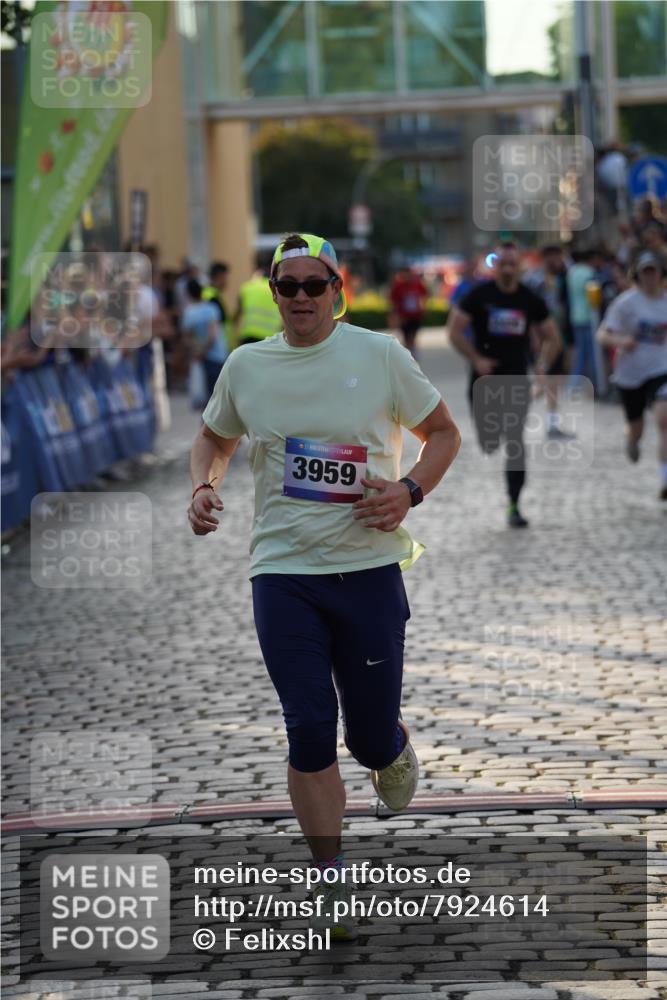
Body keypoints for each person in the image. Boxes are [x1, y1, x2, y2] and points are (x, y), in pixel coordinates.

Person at [187, 232, 460, 938]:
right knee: (307, 725)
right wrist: (202, 487)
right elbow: (213, 437)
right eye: (287, 286)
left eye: (315, 285)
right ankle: (329, 878)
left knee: (365, 739)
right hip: (282, 573)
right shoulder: (247, 364)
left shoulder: (378, 354)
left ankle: (389, 746)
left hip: (367, 570)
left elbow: (443, 433)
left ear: (337, 289)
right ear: (272, 293)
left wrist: (406, 492)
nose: (300, 298)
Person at [447, 241, 562, 528]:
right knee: (489, 440)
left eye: (513, 264)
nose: (508, 269)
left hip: (515, 378)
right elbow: (454, 331)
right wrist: (475, 358)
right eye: (503, 264)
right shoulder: (479, 295)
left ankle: (514, 503)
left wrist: (542, 365)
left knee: (515, 442)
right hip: (484, 379)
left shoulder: (529, 299)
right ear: (495, 266)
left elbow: (554, 338)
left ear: (520, 266)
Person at [596, 252, 667, 500]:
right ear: (637, 275)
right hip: (631, 372)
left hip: (661, 368)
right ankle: (632, 439)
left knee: (664, 419)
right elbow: (602, 335)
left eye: (653, 271)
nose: (649, 276)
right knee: (637, 426)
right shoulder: (625, 303)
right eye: (645, 271)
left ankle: (665, 480)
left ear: (660, 273)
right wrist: (620, 341)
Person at [526, 245, 575, 439]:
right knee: (548, 378)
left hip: (559, 336)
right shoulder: (535, 281)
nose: (556, 261)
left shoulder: (563, 278)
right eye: (551, 257)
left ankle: (551, 421)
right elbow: (529, 311)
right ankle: (550, 422)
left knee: (552, 379)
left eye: (558, 256)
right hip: (544, 339)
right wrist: (534, 337)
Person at [182, 279, 228, 399]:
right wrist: (204, 350)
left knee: (206, 397)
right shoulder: (211, 308)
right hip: (217, 355)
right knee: (217, 395)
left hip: (201, 358)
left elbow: (187, 337)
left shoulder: (189, 312)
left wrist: (198, 352)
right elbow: (213, 335)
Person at [566, 249, 598, 392]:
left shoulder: (571, 272)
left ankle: (573, 386)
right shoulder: (589, 273)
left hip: (575, 316)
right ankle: (597, 384)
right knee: (592, 353)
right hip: (588, 316)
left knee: (580, 352)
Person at [233, 263, 281, 346]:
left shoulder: (247, 287)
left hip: (248, 335)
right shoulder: (275, 289)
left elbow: (238, 312)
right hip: (270, 336)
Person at [389, 267, 429, 359]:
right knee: (406, 336)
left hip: (416, 315)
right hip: (404, 317)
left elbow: (425, 295)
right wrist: (395, 316)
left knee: (413, 335)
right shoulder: (398, 287)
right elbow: (393, 302)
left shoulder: (417, 285)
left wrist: (423, 307)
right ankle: (408, 354)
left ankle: (412, 353)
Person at [203, 261, 232, 351]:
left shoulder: (214, 294)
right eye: (226, 277)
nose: (227, 281)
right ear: (220, 276)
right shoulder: (210, 296)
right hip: (216, 351)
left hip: (220, 348)